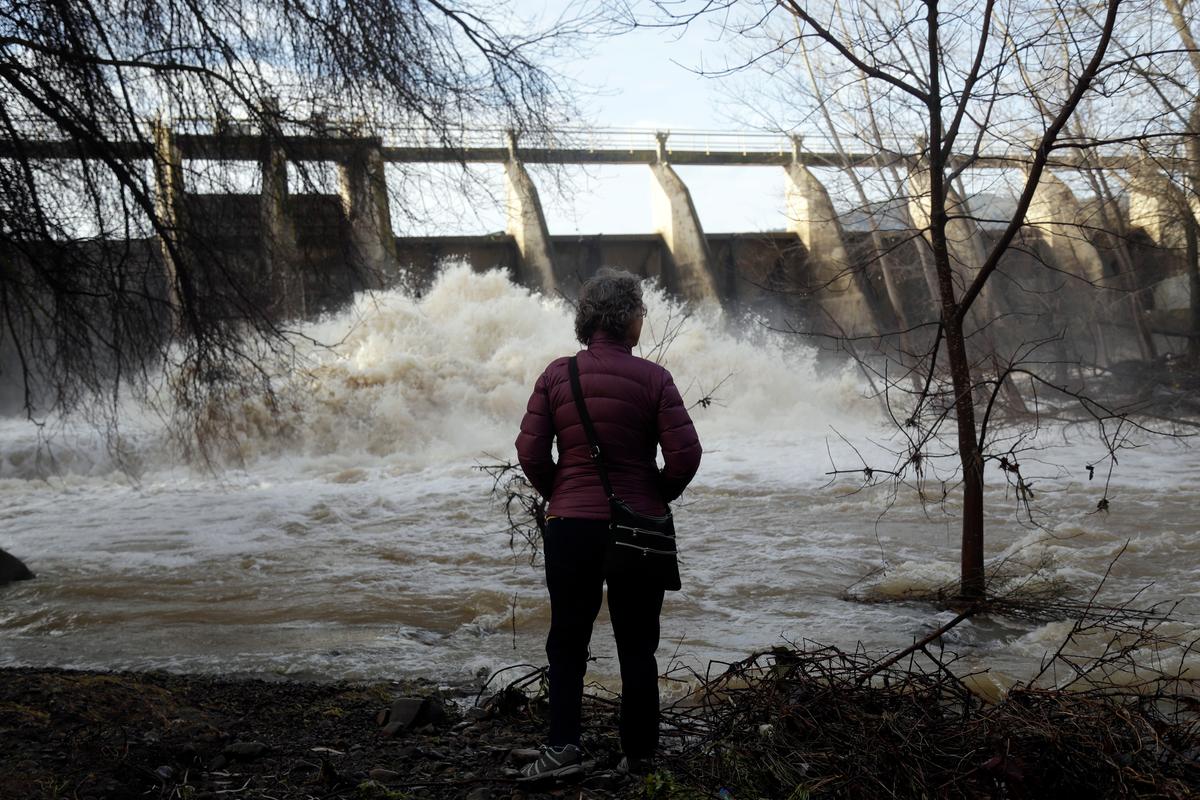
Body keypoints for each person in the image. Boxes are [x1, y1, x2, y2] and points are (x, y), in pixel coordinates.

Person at [514, 267, 702, 782]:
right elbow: (685, 456)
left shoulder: (557, 375)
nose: (643, 319)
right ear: (628, 319)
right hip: (637, 529)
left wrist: (560, 492)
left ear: (588, 320)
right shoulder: (655, 379)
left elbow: (530, 452)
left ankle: (562, 748)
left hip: (570, 524)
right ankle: (639, 756)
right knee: (637, 645)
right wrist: (652, 496)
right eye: (641, 311)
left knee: (567, 639)